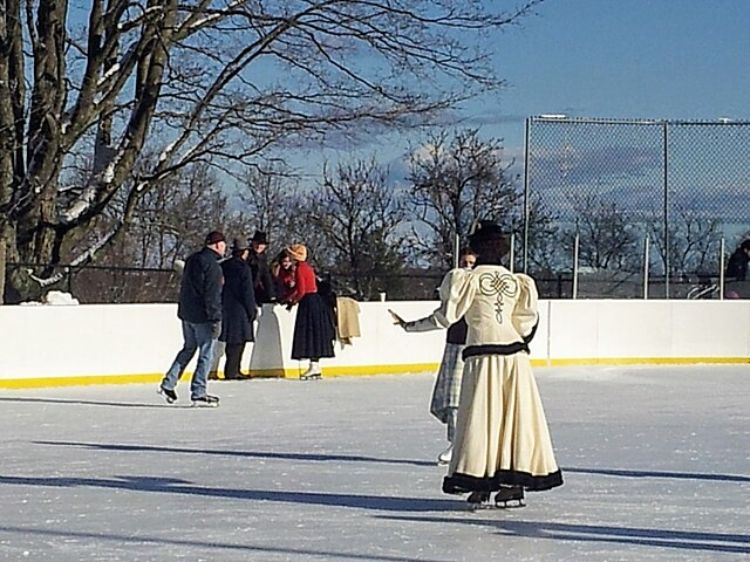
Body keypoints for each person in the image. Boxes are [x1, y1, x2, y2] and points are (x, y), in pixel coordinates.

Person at [394, 221, 562, 508]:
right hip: (515, 358)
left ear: (476, 247)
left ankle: (481, 481)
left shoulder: (466, 279)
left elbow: (446, 316)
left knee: (482, 417)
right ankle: (510, 484)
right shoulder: (519, 282)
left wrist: (410, 326)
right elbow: (525, 322)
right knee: (513, 417)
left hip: (483, 356)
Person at [395, 248, 477, 466]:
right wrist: (409, 326)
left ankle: (471, 446)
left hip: (478, 348)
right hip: (456, 347)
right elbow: (442, 317)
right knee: (453, 399)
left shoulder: (481, 290)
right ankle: (456, 442)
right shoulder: (455, 290)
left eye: (472, 263)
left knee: (475, 400)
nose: (467, 267)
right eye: (464, 262)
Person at [159, 230, 226, 406]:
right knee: (206, 353)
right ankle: (199, 391)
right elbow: (212, 294)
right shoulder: (213, 266)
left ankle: (169, 382)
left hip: (187, 314)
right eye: (223, 245)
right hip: (203, 316)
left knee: (188, 348)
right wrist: (215, 318)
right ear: (218, 245)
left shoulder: (192, 260)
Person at [285, 244, 335, 379]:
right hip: (315, 301)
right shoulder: (307, 267)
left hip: (308, 303)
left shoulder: (300, 269)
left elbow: (301, 290)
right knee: (314, 334)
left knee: (309, 334)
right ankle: (315, 365)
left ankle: (314, 366)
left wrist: (292, 301)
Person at [219, 238, 257, 380]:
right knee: (239, 341)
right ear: (244, 252)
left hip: (226, 306)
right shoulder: (243, 268)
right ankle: (233, 370)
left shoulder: (224, 266)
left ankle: (232, 369)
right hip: (240, 308)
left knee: (231, 341)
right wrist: (251, 309)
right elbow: (247, 291)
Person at [247, 230, 276, 304]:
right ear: (253, 243)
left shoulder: (263, 258)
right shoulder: (247, 255)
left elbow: (266, 277)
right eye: (257, 243)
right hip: (246, 287)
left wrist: (271, 294)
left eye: (262, 244)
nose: (259, 246)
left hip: (256, 288)